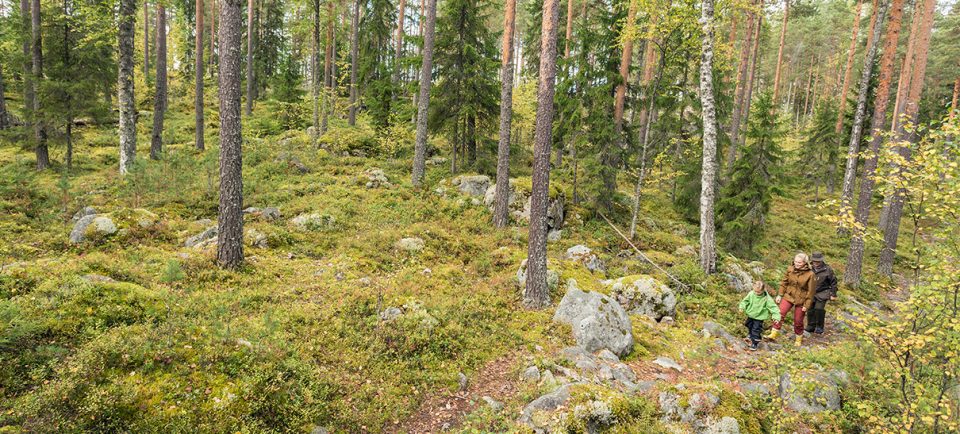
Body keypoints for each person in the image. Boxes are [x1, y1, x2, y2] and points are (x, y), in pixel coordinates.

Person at [766, 252, 817, 346]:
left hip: (801, 299)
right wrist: (780, 295)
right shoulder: (790, 269)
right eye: (796, 261)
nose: (797, 264)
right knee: (779, 313)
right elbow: (784, 283)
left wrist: (806, 305)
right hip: (788, 296)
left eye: (799, 262)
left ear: (805, 263)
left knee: (798, 320)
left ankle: (798, 338)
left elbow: (811, 292)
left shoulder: (810, 274)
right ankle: (773, 333)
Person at [739, 280, 781, 351]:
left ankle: (754, 343)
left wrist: (776, 317)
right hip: (751, 314)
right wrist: (742, 307)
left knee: (756, 329)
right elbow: (745, 301)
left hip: (759, 317)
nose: (756, 293)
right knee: (748, 324)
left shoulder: (766, 298)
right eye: (755, 291)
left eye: (758, 292)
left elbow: (773, 308)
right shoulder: (751, 294)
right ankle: (750, 335)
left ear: (763, 290)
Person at [805, 252, 837, 335]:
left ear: (821, 261)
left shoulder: (828, 269)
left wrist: (833, 294)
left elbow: (833, 282)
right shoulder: (808, 267)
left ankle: (819, 326)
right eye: (815, 261)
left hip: (823, 292)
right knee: (810, 308)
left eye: (818, 261)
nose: (816, 263)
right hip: (810, 292)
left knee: (819, 309)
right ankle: (811, 326)